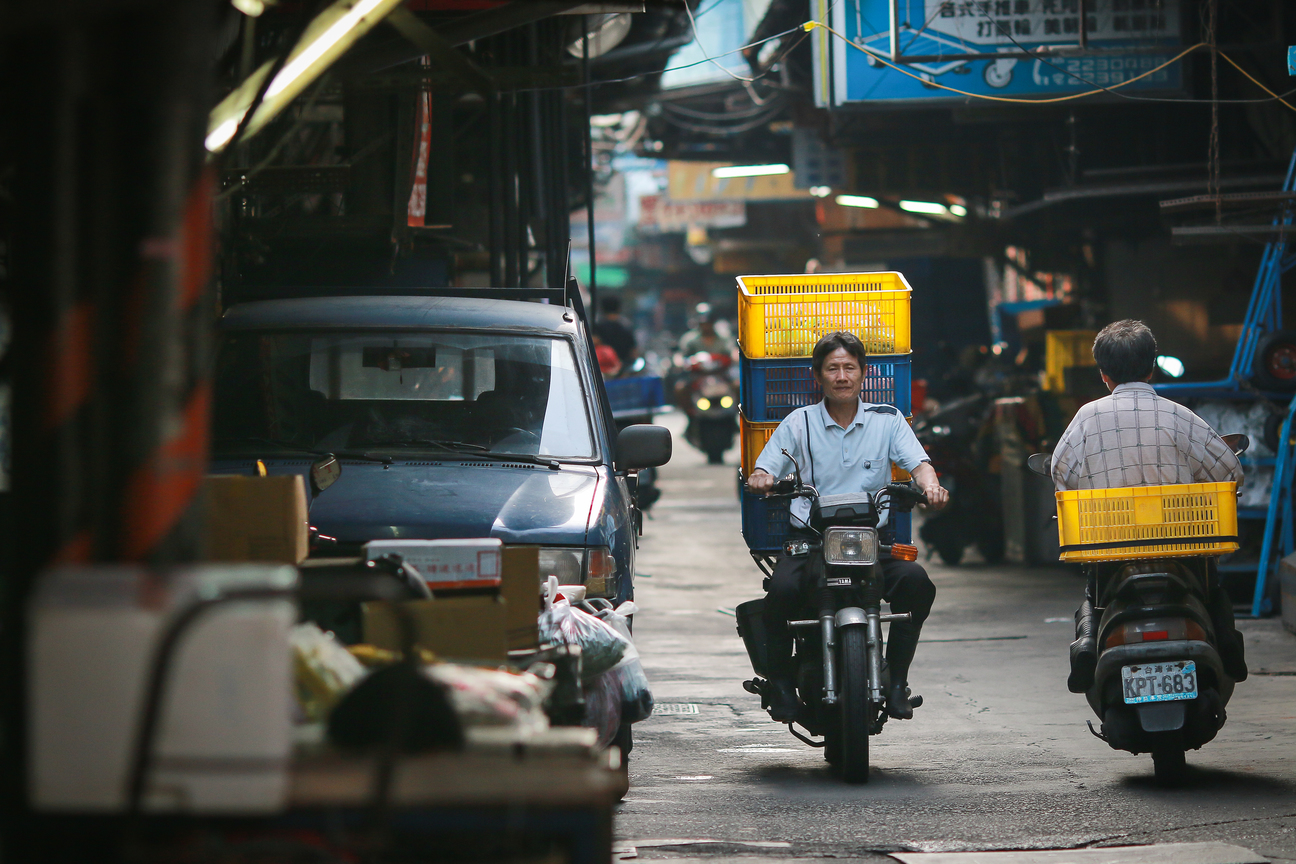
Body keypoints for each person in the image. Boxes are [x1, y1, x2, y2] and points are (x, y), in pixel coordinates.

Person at [746, 331, 950, 721]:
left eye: (849, 368)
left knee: (917, 584)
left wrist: (931, 486)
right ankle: (781, 684)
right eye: (833, 368)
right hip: (811, 541)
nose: (842, 376)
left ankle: (896, 682)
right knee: (781, 593)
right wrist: (762, 476)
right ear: (817, 376)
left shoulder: (886, 419)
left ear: (863, 373)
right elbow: (766, 465)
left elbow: (919, 464)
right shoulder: (799, 422)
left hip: (872, 539)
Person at [1050, 319, 1248, 691]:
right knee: (1211, 586)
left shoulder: (1086, 418)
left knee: (1093, 596)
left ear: (1104, 374)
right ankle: (1228, 643)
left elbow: (1062, 478)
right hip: (1184, 543)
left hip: (1108, 547)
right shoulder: (1179, 415)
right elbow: (1231, 473)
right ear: (1152, 367)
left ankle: (1087, 645)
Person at [594, 295, 638, 368]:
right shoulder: (626, 326)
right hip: (624, 369)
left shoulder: (598, 327)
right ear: (619, 308)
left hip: (603, 368)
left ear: (602, 309)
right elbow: (633, 351)